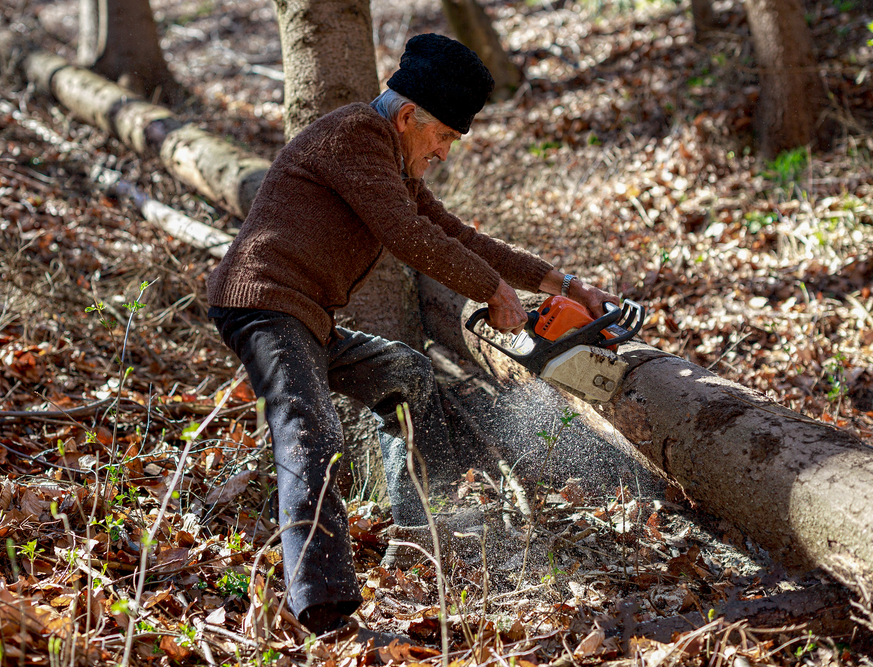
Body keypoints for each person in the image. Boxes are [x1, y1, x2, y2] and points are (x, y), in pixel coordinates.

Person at [206, 33, 616, 635]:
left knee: (404, 372)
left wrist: (565, 281)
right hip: (263, 304)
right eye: (445, 136)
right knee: (307, 427)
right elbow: (404, 233)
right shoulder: (354, 138)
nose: (446, 152)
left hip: (306, 318)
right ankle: (322, 610)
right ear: (406, 117)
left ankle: (420, 531)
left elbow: (460, 235)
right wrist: (491, 292)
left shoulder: (390, 161)